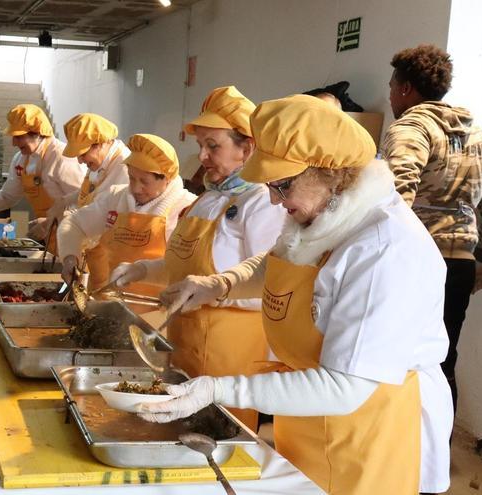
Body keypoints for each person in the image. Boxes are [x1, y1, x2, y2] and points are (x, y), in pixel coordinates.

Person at [142, 95, 452, 495]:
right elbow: (276, 263)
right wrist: (220, 284)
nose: (274, 200)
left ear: (333, 173)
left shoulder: (382, 249)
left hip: (368, 428)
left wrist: (218, 389)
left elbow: (344, 387)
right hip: (309, 416)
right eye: (271, 186)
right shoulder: (324, 213)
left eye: (282, 186)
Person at [107, 87, 285, 430]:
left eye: (213, 146)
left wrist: (211, 290)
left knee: (215, 440)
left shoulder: (262, 202)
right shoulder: (208, 198)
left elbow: (271, 290)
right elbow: (183, 269)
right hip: (184, 344)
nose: (202, 156)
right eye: (200, 145)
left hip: (230, 355)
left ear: (246, 148)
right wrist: (142, 269)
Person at [381, 44, 482, 420]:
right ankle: (436, 458)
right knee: (442, 358)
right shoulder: (476, 133)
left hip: (419, 260)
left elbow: (396, 194)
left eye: (393, 86)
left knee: (401, 358)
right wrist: (481, 260)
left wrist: (383, 255)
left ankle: (404, 455)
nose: (390, 94)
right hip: (460, 261)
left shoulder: (411, 126)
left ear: (406, 88)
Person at [57, 133, 195, 300]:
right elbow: (73, 223)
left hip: (157, 313)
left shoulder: (187, 209)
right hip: (113, 306)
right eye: (131, 178)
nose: (136, 189)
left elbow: (189, 270)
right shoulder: (117, 198)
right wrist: (70, 257)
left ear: (167, 179)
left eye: (144, 181)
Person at [0, 104, 84, 250]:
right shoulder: (21, 159)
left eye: (19, 137)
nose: (14, 143)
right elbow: (7, 196)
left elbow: (85, 203)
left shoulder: (62, 157)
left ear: (38, 133)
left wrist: (52, 220)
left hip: (78, 240)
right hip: (52, 240)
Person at [48, 113, 129, 288]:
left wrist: (69, 223)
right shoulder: (100, 163)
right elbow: (88, 192)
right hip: (93, 254)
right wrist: (64, 201)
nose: (79, 160)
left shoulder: (124, 169)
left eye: (82, 154)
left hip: (110, 260)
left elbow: (103, 215)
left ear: (99, 144)